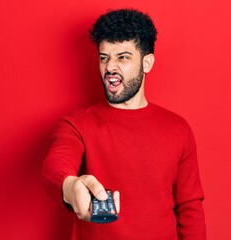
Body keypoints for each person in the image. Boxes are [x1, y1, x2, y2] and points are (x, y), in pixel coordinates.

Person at [42, 8, 206, 240]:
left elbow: (190, 208)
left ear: (147, 63)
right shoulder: (76, 124)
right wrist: (70, 186)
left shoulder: (178, 129)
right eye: (104, 57)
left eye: (123, 57)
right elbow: (56, 164)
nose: (110, 68)